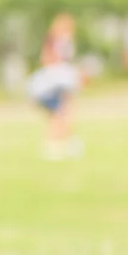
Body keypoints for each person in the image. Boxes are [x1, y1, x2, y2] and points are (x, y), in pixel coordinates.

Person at [28, 12, 82, 159]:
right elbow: (47, 59)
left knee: (63, 113)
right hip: (54, 83)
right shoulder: (53, 41)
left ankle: (66, 141)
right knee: (57, 114)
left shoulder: (65, 41)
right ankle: (54, 144)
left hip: (62, 81)